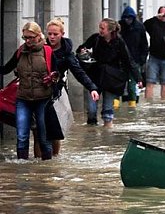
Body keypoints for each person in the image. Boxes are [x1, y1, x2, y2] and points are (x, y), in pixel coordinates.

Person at [41, 18, 99, 156]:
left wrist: (92, 88)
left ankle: (53, 160)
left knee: (54, 131)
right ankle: (41, 162)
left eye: (55, 34)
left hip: (56, 94)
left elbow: (79, 72)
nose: (52, 37)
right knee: (39, 131)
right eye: (49, 34)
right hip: (38, 92)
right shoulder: (41, 48)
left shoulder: (67, 54)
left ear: (62, 34)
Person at [0, 22, 57, 160]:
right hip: (23, 98)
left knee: (43, 136)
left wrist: (53, 78)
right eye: (25, 37)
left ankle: (47, 168)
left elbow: (57, 72)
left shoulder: (47, 51)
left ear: (38, 36)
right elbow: (6, 69)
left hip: (43, 99)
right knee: (22, 135)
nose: (28, 41)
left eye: (31, 37)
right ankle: (22, 165)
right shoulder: (20, 51)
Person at [77, 18, 142, 128]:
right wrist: (82, 51)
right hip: (95, 76)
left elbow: (128, 60)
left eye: (103, 28)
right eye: (100, 28)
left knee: (108, 110)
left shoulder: (119, 42)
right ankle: (92, 135)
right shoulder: (95, 38)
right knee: (92, 111)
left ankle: (107, 134)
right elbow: (81, 49)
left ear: (110, 30)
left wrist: (138, 78)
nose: (100, 30)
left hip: (111, 79)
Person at [143, 6, 165, 100]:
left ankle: (164, 104)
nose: (163, 15)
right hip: (154, 57)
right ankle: (148, 103)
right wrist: (156, 17)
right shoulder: (153, 24)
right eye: (161, 13)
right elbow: (145, 25)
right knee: (150, 82)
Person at [119, 6, 148, 108]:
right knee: (118, 84)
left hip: (135, 61)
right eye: (126, 18)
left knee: (132, 85)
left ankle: (132, 107)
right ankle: (116, 107)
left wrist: (142, 60)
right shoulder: (119, 27)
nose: (128, 21)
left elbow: (144, 45)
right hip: (121, 61)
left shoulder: (139, 27)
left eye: (130, 18)